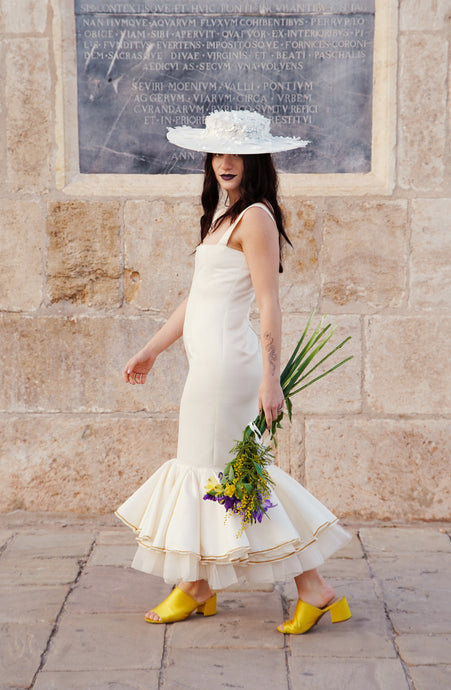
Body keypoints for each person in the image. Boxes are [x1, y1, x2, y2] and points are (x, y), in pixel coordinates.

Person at [116, 110, 351, 634]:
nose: (225, 162)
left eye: (236, 153)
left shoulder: (257, 218)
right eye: (218, 153)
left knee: (214, 470)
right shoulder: (224, 218)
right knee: (229, 474)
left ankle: (201, 587)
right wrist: (152, 350)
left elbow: (269, 304)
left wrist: (272, 377)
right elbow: (196, 300)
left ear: (254, 160)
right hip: (210, 364)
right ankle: (308, 589)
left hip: (229, 369)